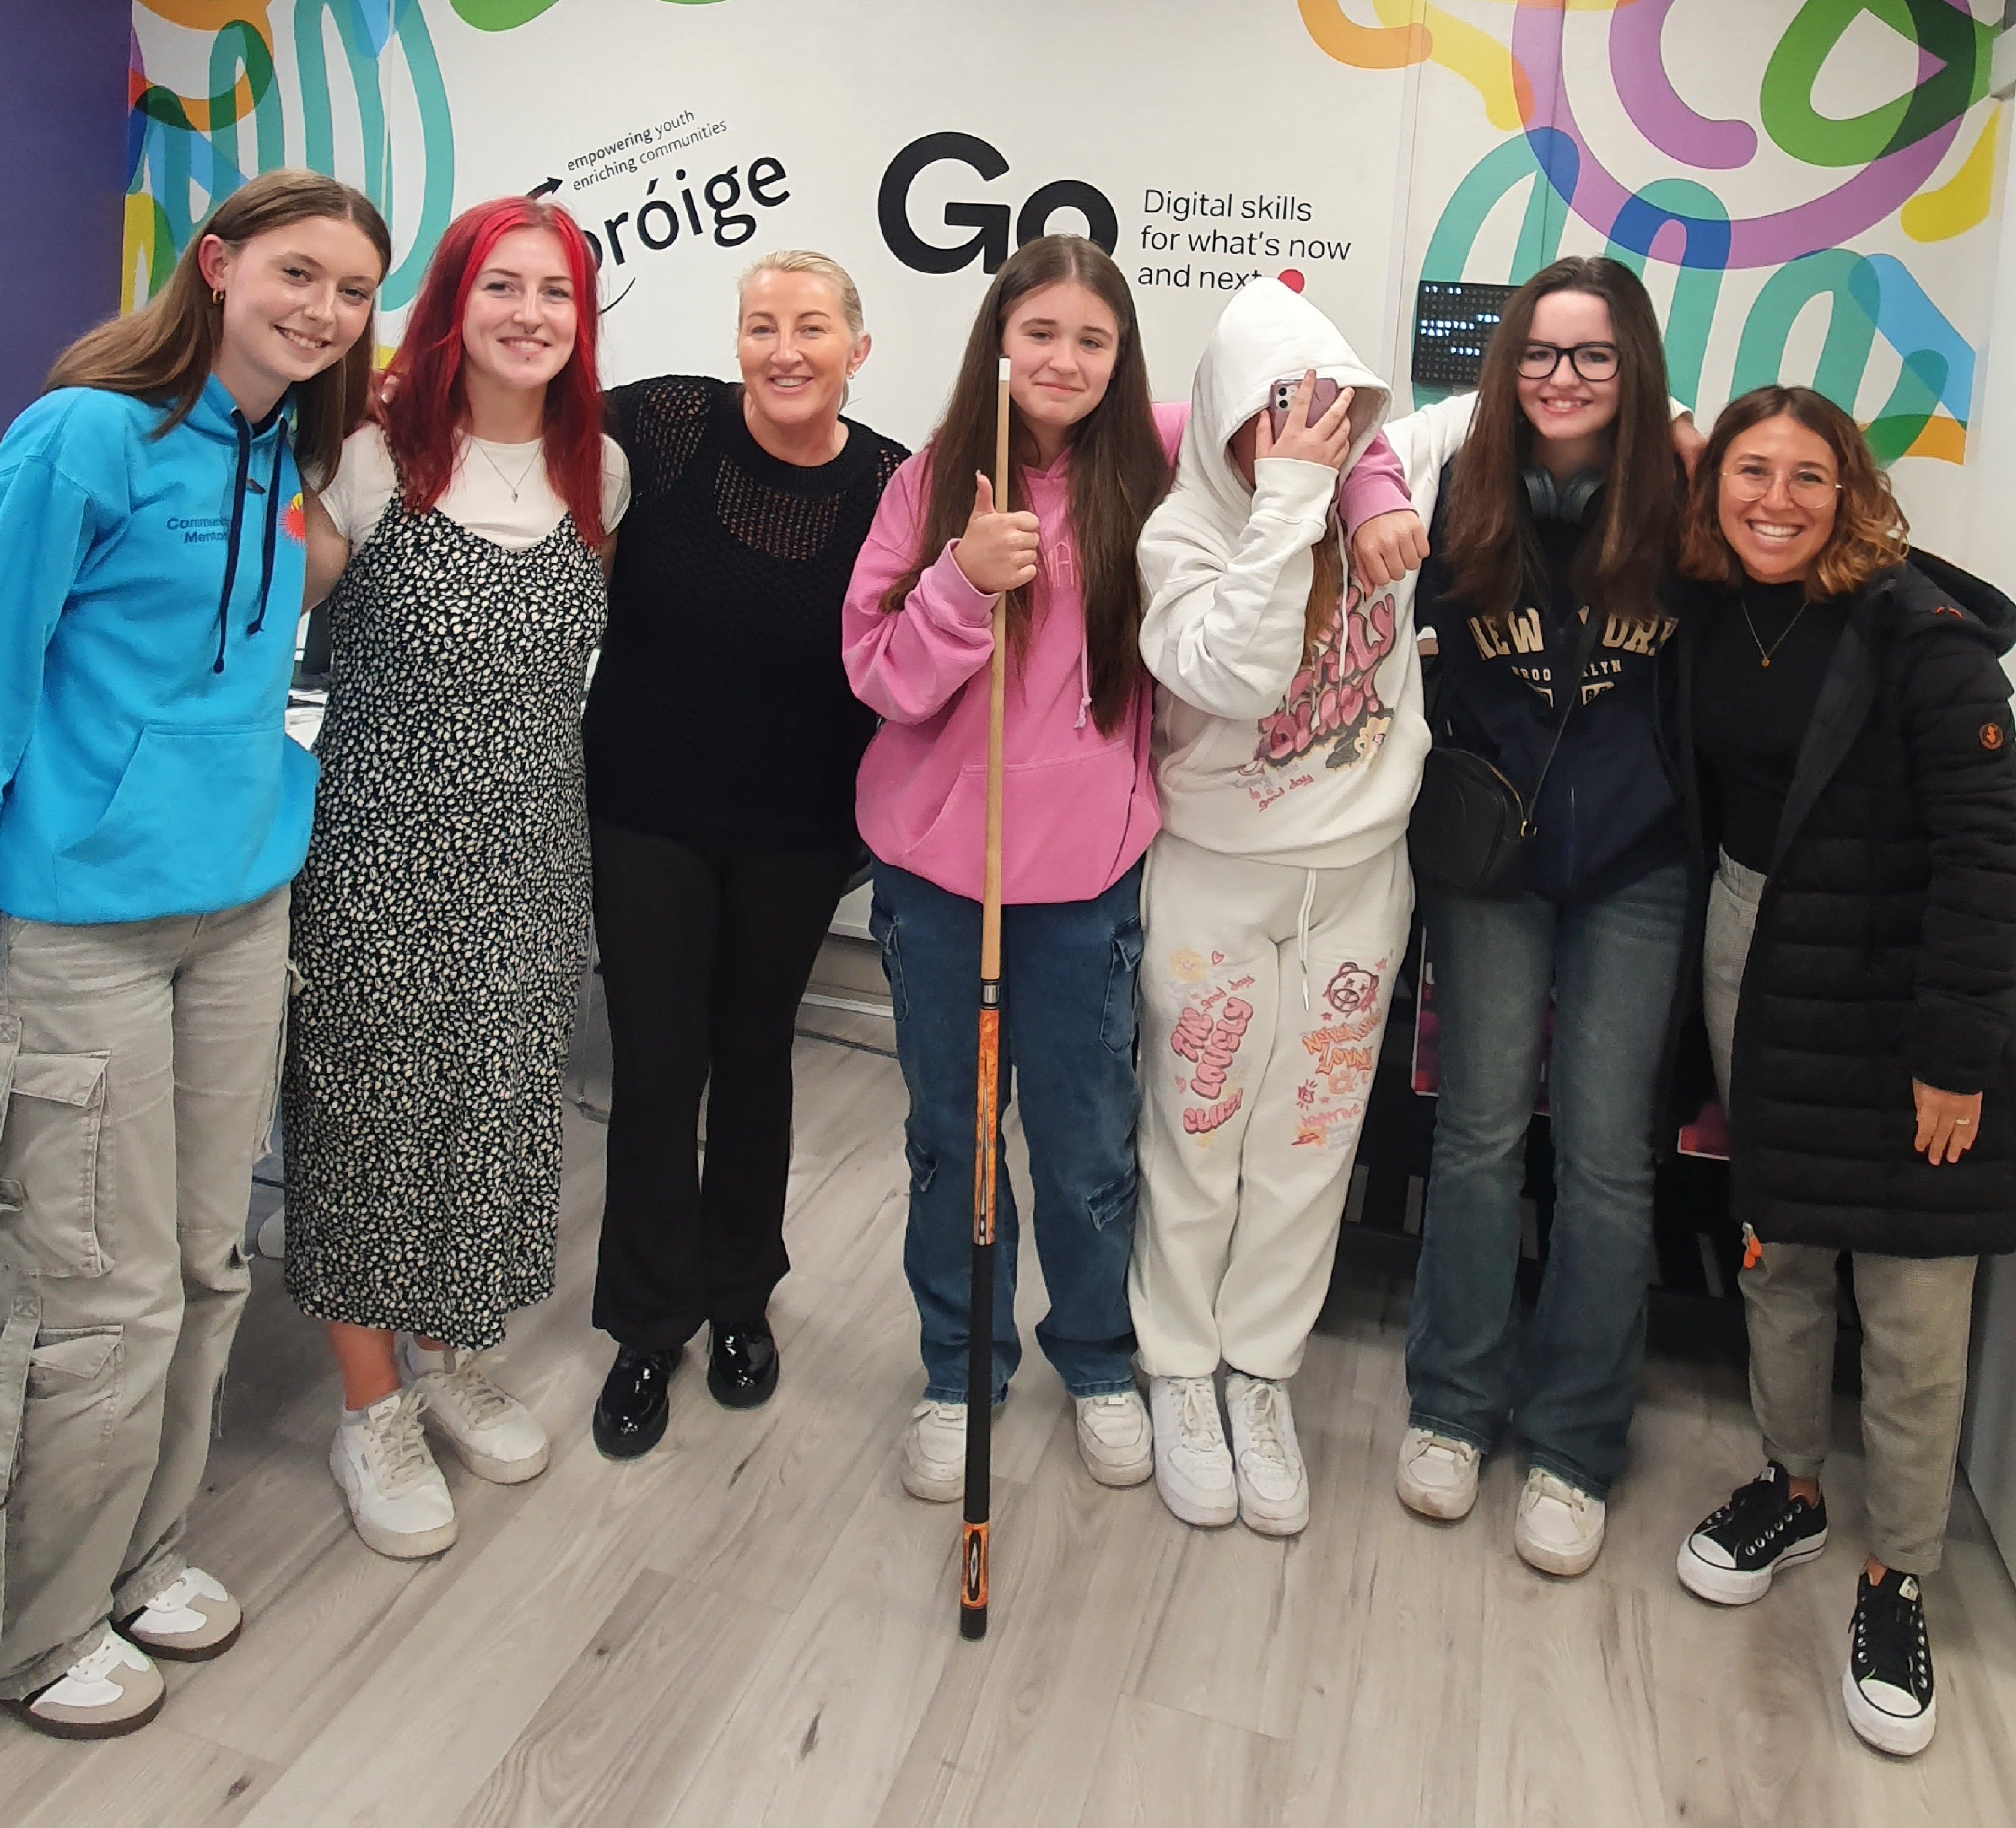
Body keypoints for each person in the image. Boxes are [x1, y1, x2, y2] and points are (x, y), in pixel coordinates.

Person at [0, 171, 388, 1738]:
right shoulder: (83, 435)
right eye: (300, 273)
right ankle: (41, 1624)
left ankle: (137, 1556)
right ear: (216, 265)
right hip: (80, 921)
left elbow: (264, 615)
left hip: (238, 905)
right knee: (101, 1292)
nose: (324, 310)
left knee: (207, 1263)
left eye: (353, 291)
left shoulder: (282, 455)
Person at [1671, 385, 2016, 1758]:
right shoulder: (1707, 608)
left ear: (1849, 490)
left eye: (1804, 475)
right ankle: (1792, 1484)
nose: (1773, 499)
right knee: (1780, 1248)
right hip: (1751, 943)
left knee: (1916, 1293)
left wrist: (1953, 1055)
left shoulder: (1923, 640)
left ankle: (1899, 1571)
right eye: (1746, 471)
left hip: (1897, 979)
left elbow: (1987, 854)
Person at [283, 197, 628, 1559]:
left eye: (556, 292)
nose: (531, 314)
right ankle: (368, 1406)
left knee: (494, 1119)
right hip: (377, 850)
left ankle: (449, 1357)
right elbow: (257, 617)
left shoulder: (597, 472)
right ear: (451, 304)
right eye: (503, 286)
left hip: (533, 852)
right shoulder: (371, 460)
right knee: (365, 1124)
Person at [840, 234, 1188, 1497]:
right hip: (942, 887)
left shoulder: (1153, 467)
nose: (1063, 358)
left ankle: (1095, 1360)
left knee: (1086, 1144)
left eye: (1092, 339)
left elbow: (1312, 417)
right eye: (1039, 331)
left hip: (1085, 889)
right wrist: (958, 582)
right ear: (997, 338)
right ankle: (958, 1370)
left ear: (1121, 357)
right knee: (953, 1139)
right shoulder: (933, 479)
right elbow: (876, 675)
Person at [583, 252, 908, 1456]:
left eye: (811, 327)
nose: (784, 350)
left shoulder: (894, 482)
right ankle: (644, 1324)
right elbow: (529, 420)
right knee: (657, 1069)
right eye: (761, 325)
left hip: (797, 826)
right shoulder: (666, 424)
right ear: (735, 341)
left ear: (857, 349)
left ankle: (738, 1300)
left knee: (756, 1058)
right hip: (645, 812)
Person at [1396, 257, 1690, 1577]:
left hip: (1637, 867)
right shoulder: (1453, 493)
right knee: (1474, 1135)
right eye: (1538, 352)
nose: (1562, 377)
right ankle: (1453, 1404)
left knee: (1610, 1159)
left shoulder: (1684, 504)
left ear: (1634, 373)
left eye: (1592, 355)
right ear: (1504, 366)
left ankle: (1573, 1441)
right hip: (1490, 866)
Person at [1128, 278, 1427, 1536]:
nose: (1310, 431)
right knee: (1196, 1129)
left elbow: (1505, 405)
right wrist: (1298, 499)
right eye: (1279, 408)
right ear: (1223, 415)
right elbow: (1238, 679)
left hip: (1358, 878)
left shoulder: (1385, 487)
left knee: (1310, 1141)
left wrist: (1366, 482)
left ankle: (1259, 1372)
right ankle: (1177, 1369)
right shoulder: (1180, 536)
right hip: (1217, 876)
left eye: (1331, 408)